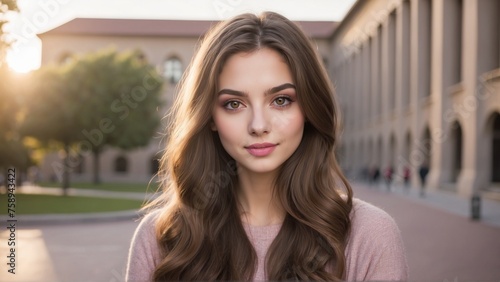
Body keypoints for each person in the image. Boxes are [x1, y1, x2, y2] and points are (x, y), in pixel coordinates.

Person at [126, 12, 408, 281]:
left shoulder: (369, 235)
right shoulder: (161, 238)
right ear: (210, 117)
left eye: (281, 100)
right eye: (234, 104)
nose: (258, 125)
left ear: (309, 108)